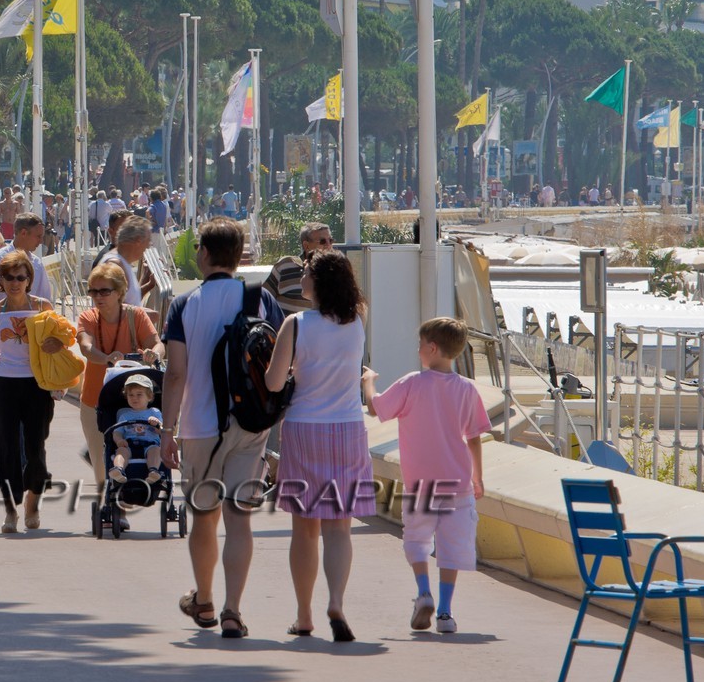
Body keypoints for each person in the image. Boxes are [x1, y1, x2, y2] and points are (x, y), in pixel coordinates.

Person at [161, 219, 282, 639]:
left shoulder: (184, 304)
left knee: (204, 517)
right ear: (238, 255)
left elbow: (175, 375)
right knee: (240, 519)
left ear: (204, 254)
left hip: (198, 427)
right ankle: (233, 610)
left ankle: (206, 600)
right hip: (250, 425)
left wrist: (165, 430)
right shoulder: (262, 300)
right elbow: (282, 366)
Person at [264, 249, 373, 643]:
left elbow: (274, 383)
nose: (300, 279)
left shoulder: (295, 324)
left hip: (304, 428)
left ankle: (304, 613)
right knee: (339, 528)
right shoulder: (357, 319)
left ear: (317, 283)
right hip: (346, 428)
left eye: (306, 273)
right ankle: (337, 602)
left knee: (305, 530)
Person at [362, 318, 490, 635]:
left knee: (417, 541)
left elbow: (376, 408)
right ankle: (445, 612)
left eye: (420, 345)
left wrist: (369, 381)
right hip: (457, 482)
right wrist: (478, 478)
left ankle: (423, 591)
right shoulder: (467, 389)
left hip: (420, 484)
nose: (418, 351)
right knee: (451, 547)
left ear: (431, 348)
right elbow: (474, 438)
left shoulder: (412, 383)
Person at [0, 252, 62, 535]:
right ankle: (10, 510)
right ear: (0, 281)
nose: (15, 282)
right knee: (7, 450)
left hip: (37, 385)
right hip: (5, 383)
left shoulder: (43, 307)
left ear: (29, 280)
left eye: (21, 277)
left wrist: (58, 367)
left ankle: (33, 500)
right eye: (9, 277)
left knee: (35, 447)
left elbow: (61, 342)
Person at [76, 263, 162, 495]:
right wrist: (106, 358)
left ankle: (126, 500)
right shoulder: (89, 317)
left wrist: (154, 353)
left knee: (138, 454)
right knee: (101, 462)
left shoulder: (136, 316)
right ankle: (113, 508)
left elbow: (156, 343)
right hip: (94, 402)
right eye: (93, 291)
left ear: (120, 291)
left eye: (104, 291)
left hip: (132, 401)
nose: (98, 296)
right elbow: (85, 346)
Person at [264, 222, 335, 315]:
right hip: (287, 328)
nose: (328, 245)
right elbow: (263, 299)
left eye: (330, 240)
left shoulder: (335, 272)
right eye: (323, 241)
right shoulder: (286, 266)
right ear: (306, 245)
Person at [111, 374, 164, 484]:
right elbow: (117, 432)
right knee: (121, 451)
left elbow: (162, 431)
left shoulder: (155, 412)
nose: (134, 398)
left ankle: (153, 471)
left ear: (149, 397)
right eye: (131, 395)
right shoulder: (124, 415)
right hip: (129, 444)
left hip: (150, 443)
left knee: (156, 450)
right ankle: (118, 469)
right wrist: (119, 440)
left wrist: (157, 424)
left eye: (139, 394)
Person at [99, 215, 152, 307]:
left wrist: (148, 283)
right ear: (138, 241)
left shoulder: (122, 263)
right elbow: (110, 307)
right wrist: (145, 314)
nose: (148, 246)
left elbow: (128, 299)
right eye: (148, 240)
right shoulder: (114, 265)